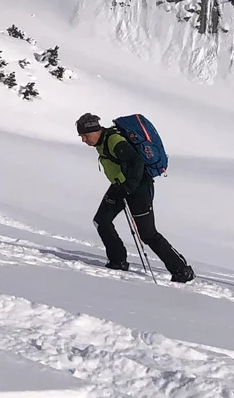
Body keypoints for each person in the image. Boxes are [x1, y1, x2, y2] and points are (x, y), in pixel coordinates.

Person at [76, 113, 192, 283]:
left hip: (139, 188)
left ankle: (182, 270)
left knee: (147, 234)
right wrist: (123, 187)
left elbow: (137, 162)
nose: (84, 140)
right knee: (101, 220)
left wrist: (129, 187)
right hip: (120, 186)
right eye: (82, 136)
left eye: (86, 135)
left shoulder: (114, 140)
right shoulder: (102, 142)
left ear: (95, 130)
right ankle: (118, 261)